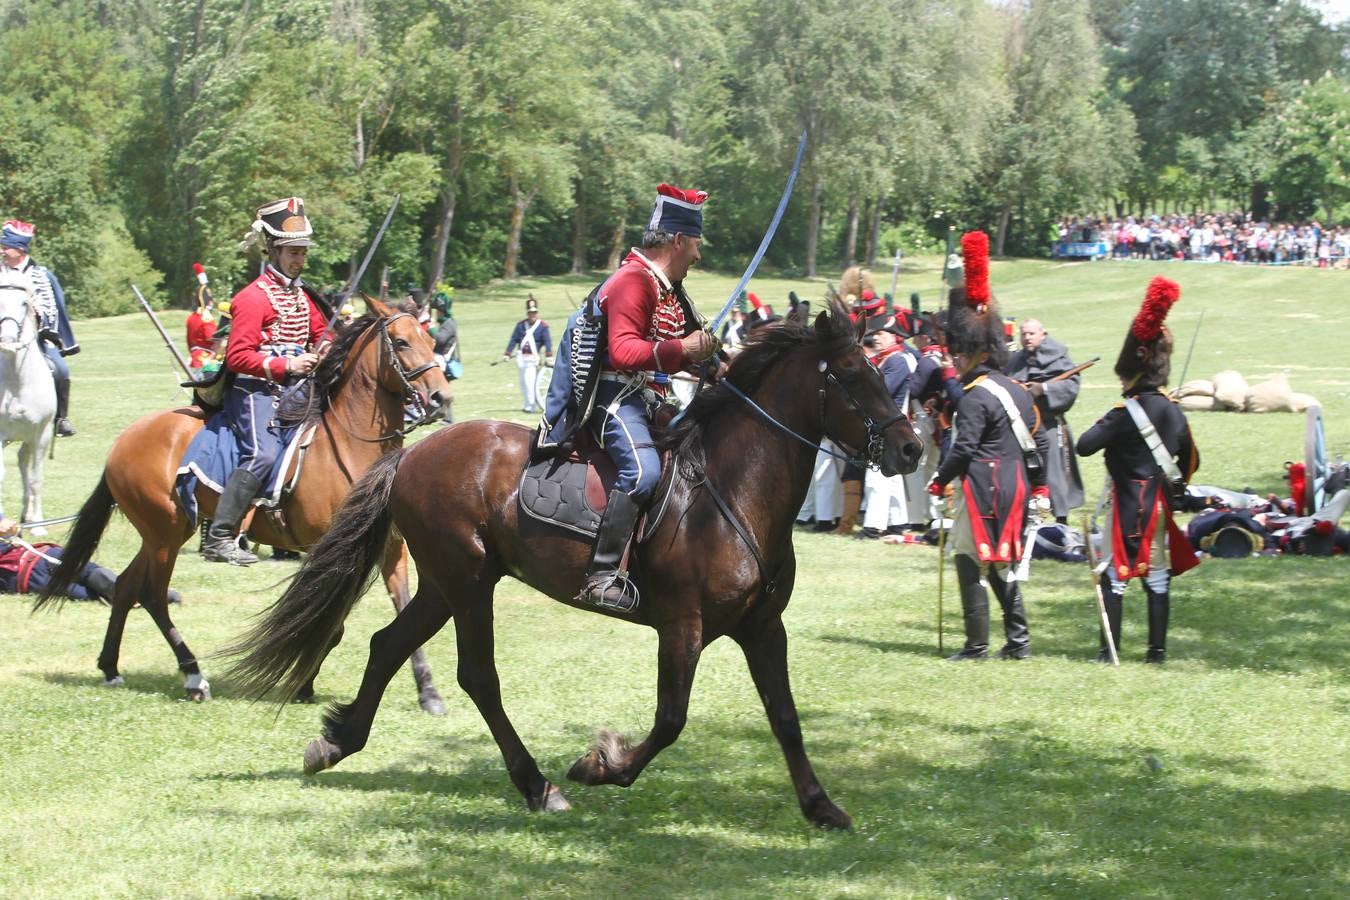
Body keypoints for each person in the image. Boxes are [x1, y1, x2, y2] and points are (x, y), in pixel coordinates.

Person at [538, 183, 717, 611]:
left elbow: (673, 351)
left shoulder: (667, 288)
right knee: (643, 474)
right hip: (613, 398)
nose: (698, 254)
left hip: (651, 398)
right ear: (678, 240)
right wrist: (683, 350)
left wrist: (714, 362)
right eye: (695, 243)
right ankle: (602, 575)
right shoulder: (632, 282)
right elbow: (623, 352)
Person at [928, 231, 1050, 661]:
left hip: (983, 485)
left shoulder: (977, 394)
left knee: (967, 557)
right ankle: (1018, 642)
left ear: (973, 350)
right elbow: (1037, 440)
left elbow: (963, 449)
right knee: (1001, 562)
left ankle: (976, 645)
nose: (953, 358)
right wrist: (1038, 486)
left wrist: (938, 481)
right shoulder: (1014, 389)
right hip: (1013, 484)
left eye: (958, 351)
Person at [1077, 277, 1199, 664]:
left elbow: (1084, 445)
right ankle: (1156, 652)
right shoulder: (1173, 411)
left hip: (1124, 502)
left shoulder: (1122, 414)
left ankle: (1107, 652)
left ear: (1134, 367)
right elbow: (1191, 460)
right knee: (1157, 575)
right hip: (1158, 504)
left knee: (1114, 574)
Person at [200, 197, 328, 565]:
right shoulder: (252, 298)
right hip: (255, 389)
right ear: (272, 249)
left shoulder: (304, 296)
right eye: (292, 251)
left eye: (302, 252)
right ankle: (220, 536)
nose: (299, 259)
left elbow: (323, 335)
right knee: (264, 453)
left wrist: (325, 351)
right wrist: (287, 365)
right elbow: (238, 356)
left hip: (299, 389)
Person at [1, 220, 79, 436]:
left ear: (19, 249)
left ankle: (60, 419)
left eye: (6, 247)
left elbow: (53, 308)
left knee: (61, 371)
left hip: (37, 339)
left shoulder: (41, 276)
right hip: (1, 338)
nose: (2, 251)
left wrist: (43, 328)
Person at [1004, 318, 1086, 522]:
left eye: (1031, 333)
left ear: (1043, 334)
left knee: (1054, 473)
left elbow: (1070, 386)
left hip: (1049, 423)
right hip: (1024, 427)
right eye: (1024, 334)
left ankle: (1061, 518)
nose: (1027, 338)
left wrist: (1044, 389)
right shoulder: (1016, 360)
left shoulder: (1059, 357)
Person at [0, 516, 181, 603]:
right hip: (27, 580)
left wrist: (11, 529)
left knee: (91, 573)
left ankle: (148, 595)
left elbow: (13, 535)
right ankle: (142, 596)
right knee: (86, 595)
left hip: (39, 557)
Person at [858, 315, 917, 539]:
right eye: (876, 334)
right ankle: (898, 522)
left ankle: (873, 526)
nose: (877, 338)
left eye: (882, 334)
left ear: (894, 336)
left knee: (877, 477)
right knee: (891, 478)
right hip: (887, 424)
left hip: (889, 424)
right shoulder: (886, 360)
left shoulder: (896, 361)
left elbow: (881, 393)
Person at [504, 295, 552, 413]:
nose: (532, 315)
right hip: (521, 358)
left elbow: (547, 342)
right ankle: (527, 404)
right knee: (523, 383)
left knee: (529, 381)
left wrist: (549, 356)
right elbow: (514, 339)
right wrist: (508, 353)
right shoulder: (521, 325)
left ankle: (531, 406)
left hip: (533, 359)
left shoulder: (542, 326)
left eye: (534, 312)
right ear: (527, 313)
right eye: (530, 313)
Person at [430, 290, 460, 423]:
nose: (437, 313)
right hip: (440, 360)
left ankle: (448, 419)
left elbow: (440, 340)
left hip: (444, 361)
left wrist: (431, 329)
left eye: (438, 310)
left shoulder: (449, 324)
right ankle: (442, 416)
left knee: (442, 390)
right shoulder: (446, 323)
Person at [186, 263, 218, 370]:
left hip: (194, 357)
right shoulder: (207, 317)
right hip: (206, 358)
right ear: (209, 301)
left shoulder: (191, 317)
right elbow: (211, 337)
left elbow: (189, 340)